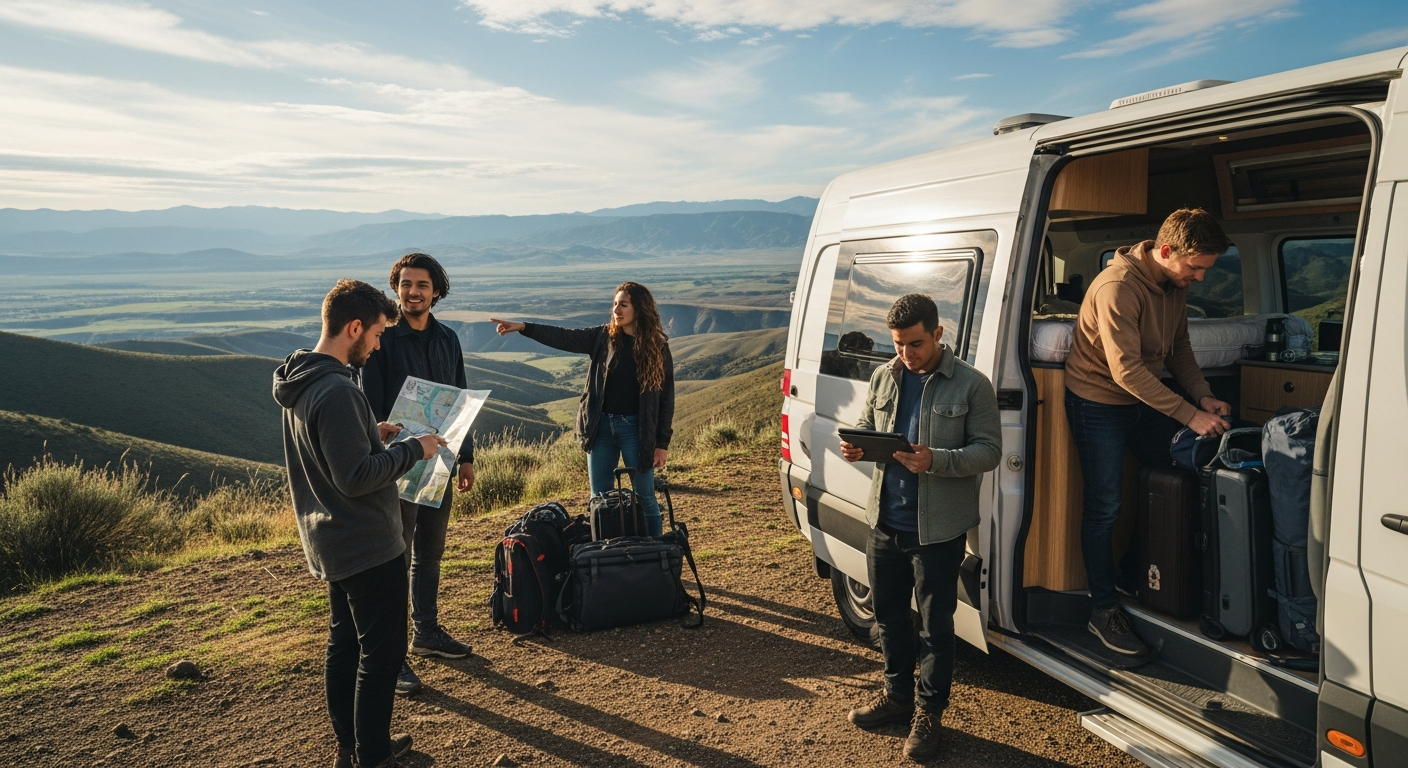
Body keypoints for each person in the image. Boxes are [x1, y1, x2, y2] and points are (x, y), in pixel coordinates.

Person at [273, 279, 446, 768]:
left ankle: (350, 749)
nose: (377, 345)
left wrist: (372, 433)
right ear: (354, 328)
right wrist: (412, 450)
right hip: (367, 543)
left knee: (345, 645)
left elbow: (333, 453)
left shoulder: (302, 378)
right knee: (382, 655)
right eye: (376, 335)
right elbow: (354, 477)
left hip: (331, 540)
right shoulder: (337, 391)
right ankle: (373, 757)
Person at [839, 293, 1002, 762]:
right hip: (883, 522)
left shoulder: (972, 384)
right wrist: (857, 446)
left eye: (915, 344)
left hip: (937, 531)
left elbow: (990, 451)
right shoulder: (884, 375)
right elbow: (867, 423)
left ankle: (929, 713)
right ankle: (896, 698)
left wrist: (937, 461)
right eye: (898, 344)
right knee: (889, 619)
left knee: (935, 627)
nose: (906, 354)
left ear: (938, 334)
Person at [1064, 207, 1233, 656]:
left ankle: (1133, 572)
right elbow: (1125, 371)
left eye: (1205, 269)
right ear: (1166, 250)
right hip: (1098, 401)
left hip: (1146, 397)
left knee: (1179, 477)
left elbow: (1179, 349)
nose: (1199, 278)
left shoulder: (1173, 285)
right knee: (1105, 507)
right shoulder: (1118, 287)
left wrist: (1203, 396)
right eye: (1194, 267)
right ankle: (1103, 609)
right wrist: (1188, 415)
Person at [360, 252, 475, 696]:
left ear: (436, 291)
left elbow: (461, 401)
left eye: (422, 285)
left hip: (441, 462)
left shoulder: (448, 339)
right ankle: (392, 658)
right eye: (406, 284)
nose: (413, 292)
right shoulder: (383, 340)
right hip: (399, 463)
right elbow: (370, 405)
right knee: (396, 557)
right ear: (396, 289)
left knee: (430, 552)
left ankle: (426, 633)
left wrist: (467, 457)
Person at [490, 281, 674, 535]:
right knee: (599, 498)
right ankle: (604, 551)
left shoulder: (657, 347)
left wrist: (662, 443)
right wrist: (524, 327)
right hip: (601, 428)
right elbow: (564, 337)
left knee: (645, 497)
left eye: (623, 305)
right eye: (614, 304)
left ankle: (657, 551)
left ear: (640, 308)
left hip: (636, 430)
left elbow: (666, 399)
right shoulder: (603, 338)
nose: (616, 310)